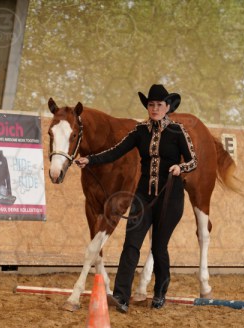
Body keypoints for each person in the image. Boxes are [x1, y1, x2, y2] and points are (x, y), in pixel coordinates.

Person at [76, 84, 197, 312]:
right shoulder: (139, 131)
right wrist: (90, 160)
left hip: (170, 199)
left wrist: (180, 167)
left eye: (159, 105)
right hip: (142, 198)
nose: (154, 108)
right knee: (131, 244)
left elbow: (193, 161)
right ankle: (121, 296)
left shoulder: (177, 131)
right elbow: (116, 151)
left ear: (167, 107)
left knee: (159, 248)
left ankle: (160, 292)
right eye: (151, 105)